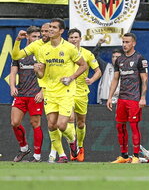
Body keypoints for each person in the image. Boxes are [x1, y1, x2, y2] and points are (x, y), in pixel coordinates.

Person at [34, 18, 87, 163]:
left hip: (66, 91)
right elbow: (42, 74)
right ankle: (62, 155)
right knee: (51, 124)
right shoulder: (43, 49)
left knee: (62, 125)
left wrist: (71, 77)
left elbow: (83, 65)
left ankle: (72, 140)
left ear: (61, 31)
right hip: (50, 91)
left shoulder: (69, 48)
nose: (50, 30)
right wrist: (37, 71)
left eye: (54, 28)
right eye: (49, 27)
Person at [107, 33, 148, 164]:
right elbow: (115, 79)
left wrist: (143, 97)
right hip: (122, 98)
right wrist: (110, 97)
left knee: (134, 126)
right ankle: (124, 156)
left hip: (134, 98)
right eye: (123, 42)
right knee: (120, 126)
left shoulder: (140, 58)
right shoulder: (119, 60)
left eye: (127, 42)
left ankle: (135, 156)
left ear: (133, 43)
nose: (124, 45)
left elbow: (145, 79)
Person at [10, 26, 44, 163]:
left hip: (35, 94)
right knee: (15, 122)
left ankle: (37, 155)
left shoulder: (42, 53)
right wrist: (12, 86)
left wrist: (42, 91)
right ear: (27, 37)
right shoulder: (20, 54)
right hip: (21, 93)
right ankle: (24, 148)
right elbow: (13, 72)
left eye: (38, 37)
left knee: (35, 123)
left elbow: (48, 75)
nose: (37, 39)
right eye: (34, 36)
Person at [67, 28, 101, 162]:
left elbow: (98, 71)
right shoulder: (64, 53)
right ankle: (72, 147)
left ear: (80, 39)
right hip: (66, 92)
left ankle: (80, 147)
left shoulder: (87, 54)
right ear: (68, 39)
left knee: (80, 123)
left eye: (76, 37)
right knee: (69, 120)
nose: (74, 40)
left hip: (81, 92)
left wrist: (92, 80)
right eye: (71, 37)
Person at [92, 37, 122, 104]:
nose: (114, 59)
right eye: (113, 57)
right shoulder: (106, 67)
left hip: (120, 101)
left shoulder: (127, 69)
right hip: (105, 100)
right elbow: (93, 56)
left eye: (117, 57)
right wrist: (99, 44)